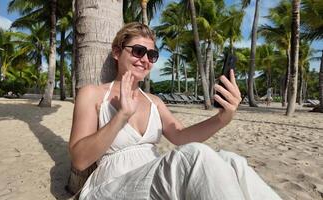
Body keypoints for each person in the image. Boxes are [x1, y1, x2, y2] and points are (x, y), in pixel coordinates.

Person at [69, 22, 281, 200]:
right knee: (196, 155)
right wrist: (121, 116)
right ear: (117, 52)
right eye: (138, 51)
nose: (145, 59)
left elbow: (181, 136)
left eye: (152, 54)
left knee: (232, 161)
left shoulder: (154, 101)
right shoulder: (93, 94)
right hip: (112, 186)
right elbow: (79, 160)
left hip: (153, 180)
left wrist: (223, 117)